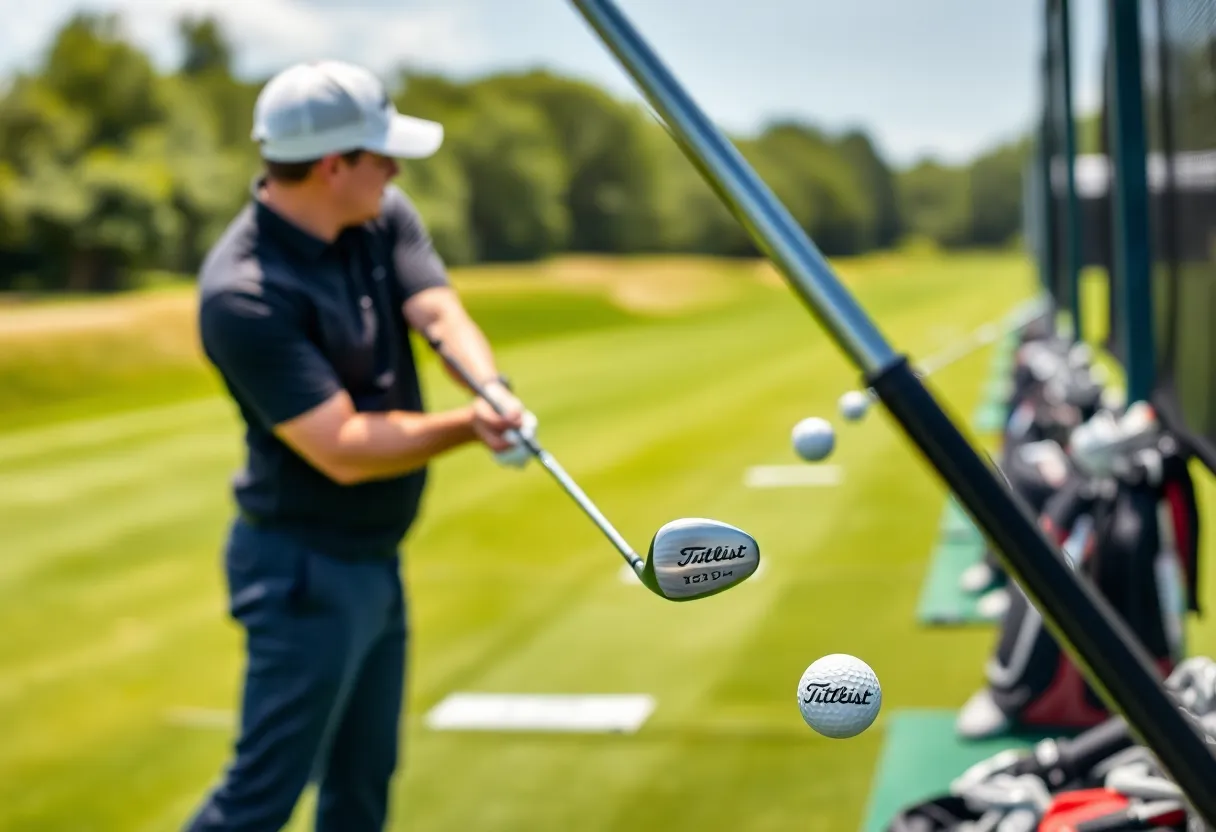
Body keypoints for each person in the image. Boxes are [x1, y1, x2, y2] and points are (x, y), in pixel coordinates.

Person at [184, 59, 536, 832]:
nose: (396, 167)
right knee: (260, 799)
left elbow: (438, 312)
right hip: (302, 572)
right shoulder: (243, 293)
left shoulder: (380, 214)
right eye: (381, 155)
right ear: (333, 164)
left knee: (361, 787)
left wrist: (490, 387)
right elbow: (341, 445)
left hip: (373, 556)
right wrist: (471, 427)